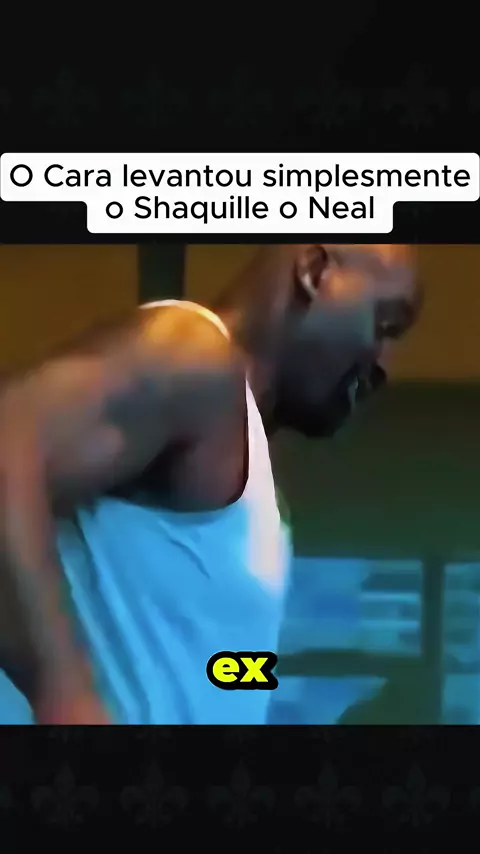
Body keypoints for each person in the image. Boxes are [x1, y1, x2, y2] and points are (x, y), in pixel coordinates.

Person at [0, 244, 421, 724]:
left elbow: (205, 671)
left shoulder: (248, 455)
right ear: (314, 270)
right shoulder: (191, 355)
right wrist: (65, 696)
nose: (384, 366)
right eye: (385, 323)